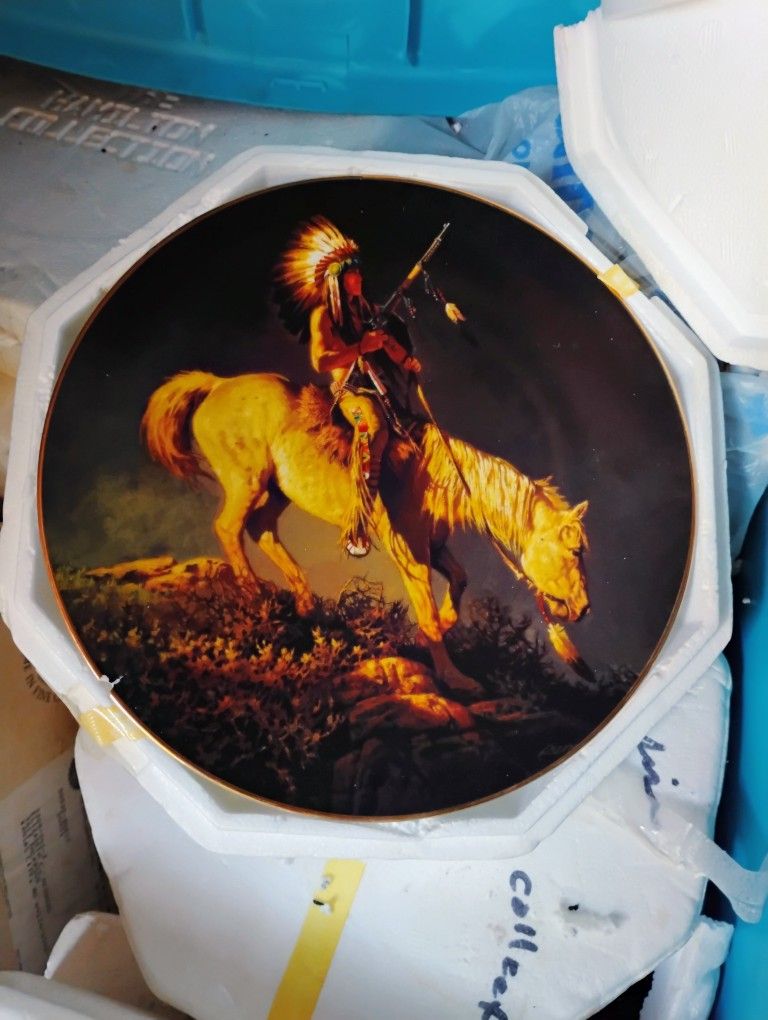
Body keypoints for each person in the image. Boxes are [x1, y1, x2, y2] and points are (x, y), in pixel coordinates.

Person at [274, 216, 423, 556]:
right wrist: (360, 347)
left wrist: (406, 361)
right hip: (349, 396)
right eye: (352, 274)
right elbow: (321, 361)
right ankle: (358, 516)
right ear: (336, 280)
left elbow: (385, 342)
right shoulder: (323, 317)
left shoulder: (366, 310)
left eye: (358, 272)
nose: (359, 278)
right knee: (370, 428)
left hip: (379, 391)